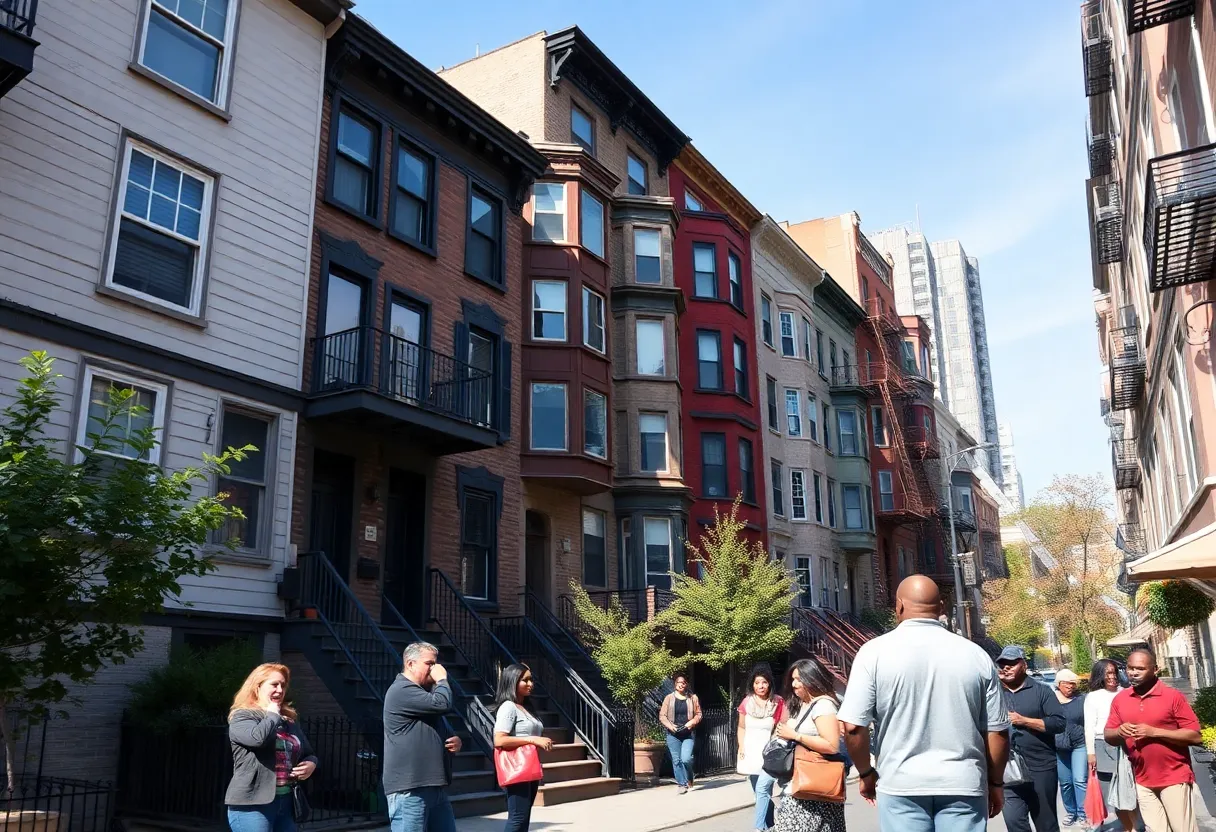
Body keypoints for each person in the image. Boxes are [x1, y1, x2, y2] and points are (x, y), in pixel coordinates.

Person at [839, 575, 1010, 832]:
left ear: (898, 606)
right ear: (942, 608)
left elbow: (852, 727)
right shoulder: (976, 655)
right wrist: (996, 783)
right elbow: (998, 731)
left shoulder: (873, 653)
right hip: (962, 783)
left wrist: (866, 774)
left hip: (901, 785)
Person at [1104, 646, 1202, 832]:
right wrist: (1119, 732)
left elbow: (1195, 736)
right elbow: (1108, 734)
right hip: (1141, 779)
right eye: (1130, 668)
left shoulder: (1172, 696)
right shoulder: (1121, 699)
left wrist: (1155, 732)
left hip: (1174, 777)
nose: (1133, 673)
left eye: (1140, 669)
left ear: (1155, 669)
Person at [225, 663, 318, 832]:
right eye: (274, 684)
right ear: (257, 687)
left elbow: (309, 753)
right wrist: (272, 713)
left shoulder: (288, 721)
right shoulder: (242, 717)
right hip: (253, 805)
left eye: (283, 685)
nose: (280, 690)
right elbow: (258, 739)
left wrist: (311, 764)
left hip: (287, 801)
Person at [383, 642, 464, 832]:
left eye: (435, 664)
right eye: (429, 663)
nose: (434, 669)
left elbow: (437, 726)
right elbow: (442, 703)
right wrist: (442, 680)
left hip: (435, 787)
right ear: (410, 664)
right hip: (410, 789)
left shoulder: (423, 694)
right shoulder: (401, 690)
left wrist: (455, 740)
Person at [772, 657, 847, 832]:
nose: (794, 684)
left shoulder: (823, 705)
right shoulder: (807, 705)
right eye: (792, 679)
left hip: (814, 787)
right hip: (803, 787)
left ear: (812, 679)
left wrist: (795, 735)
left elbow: (831, 745)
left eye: (799, 679)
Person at [997, 646, 1066, 832]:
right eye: (1002, 664)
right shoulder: (993, 694)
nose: (1006, 668)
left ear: (1024, 665)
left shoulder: (1041, 691)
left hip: (1040, 768)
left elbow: (1058, 723)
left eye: (1012, 663)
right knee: (1014, 822)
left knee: (1046, 824)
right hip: (1007, 770)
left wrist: (1024, 721)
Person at [492, 663, 554, 832]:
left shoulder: (526, 707)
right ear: (512, 681)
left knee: (524, 817)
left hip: (529, 767)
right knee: (518, 817)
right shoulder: (508, 707)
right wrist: (533, 740)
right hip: (516, 768)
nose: (530, 684)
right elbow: (499, 740)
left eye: (531, 679)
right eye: (524, 680)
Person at [1085, 659, 1143, 832]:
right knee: (1114, 793)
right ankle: (1129, 828)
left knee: (1133, 790)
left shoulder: (1127, 692)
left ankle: (1137, 826)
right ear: (1100, 675)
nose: (1112, 676)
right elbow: (1089, 726)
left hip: (1128, 745)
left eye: (1114, 672)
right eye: (1107, 673)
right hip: (1102, 745)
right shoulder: (1093, 697)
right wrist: (1091, 753)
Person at [737, 664, 784, 831]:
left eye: (764, 682)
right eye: (757, 683)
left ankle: (760, 828)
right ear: (752, 684)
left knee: (763, 789)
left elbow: (781, 727)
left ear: (769, 683)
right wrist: (741, 746)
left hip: (769, 753)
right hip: (751, 752)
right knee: (760, 793)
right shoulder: (746, 703)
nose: (760, 686)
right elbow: (741, 727)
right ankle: (769, 825)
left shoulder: (778, 702)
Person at [1052, 669, 1088, 827]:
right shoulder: (1050, 700)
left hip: (1080, 744)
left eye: (1073, 684)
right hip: (1059, 747)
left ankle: (1083, 813)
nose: (1070, 687)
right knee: (1065, 782)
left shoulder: (1082, 699)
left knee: (1080, 780)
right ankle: (1071, 811)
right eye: (1067, 684)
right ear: (1059, 684)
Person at [659, 673, 702, 794]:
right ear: (675, 684)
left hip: (687, 733)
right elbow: (662, 715)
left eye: (683, 682)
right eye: (679, 682)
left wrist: (691, 722)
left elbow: (699, 714)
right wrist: (670, 726)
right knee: (676, 760)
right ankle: (681, 784)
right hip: (673, 734)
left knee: (686, 759)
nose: (681, 685)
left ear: (686, 684)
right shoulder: (669, 698)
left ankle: (689, 778)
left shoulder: (693, 698)